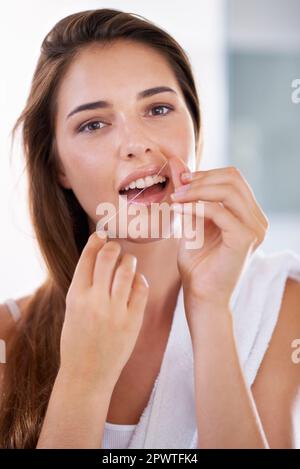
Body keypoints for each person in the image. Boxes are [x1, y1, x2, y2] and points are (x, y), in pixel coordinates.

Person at [0, 8, 300, 449]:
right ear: (57, 165)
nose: (137, 143)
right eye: (94, 124)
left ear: (194, 128)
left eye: (158, 108)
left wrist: (211, 310)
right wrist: (83, 379)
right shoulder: (9, 336)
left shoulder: (280, 306)